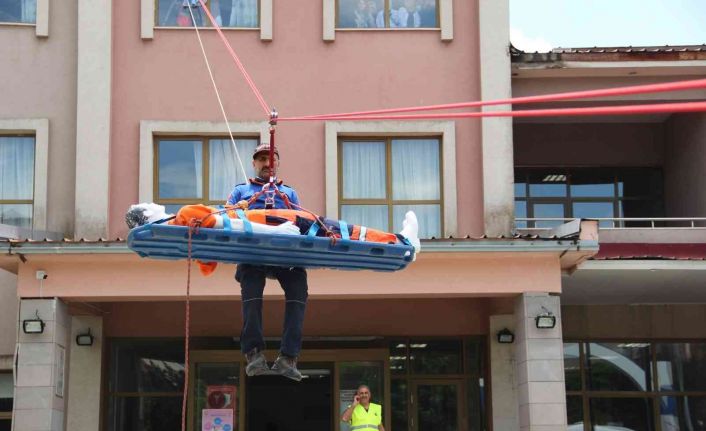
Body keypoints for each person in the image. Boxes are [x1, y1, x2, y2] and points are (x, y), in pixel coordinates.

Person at [226, 143, 308, 381]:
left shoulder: (288, 194)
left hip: (284, 252)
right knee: (251, 293)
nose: (267, 163)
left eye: (271, 159)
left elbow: (300, 220)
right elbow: (227, 215)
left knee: (298, 290)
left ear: (278, 163)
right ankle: (253, 353)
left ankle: (289, 357)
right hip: (253, 250)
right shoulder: (242, 191)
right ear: (254, 163)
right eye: (262, 159)